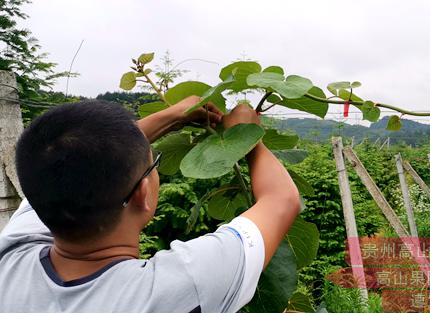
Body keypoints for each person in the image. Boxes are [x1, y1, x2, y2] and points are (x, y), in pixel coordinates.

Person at [0, 96, 301, 313]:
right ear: (143, 193)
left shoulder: (11, 257)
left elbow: (78, 159)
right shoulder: (183, 286)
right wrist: (247, 136)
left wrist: (170, 116)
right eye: (152, 164)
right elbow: (282, 200)